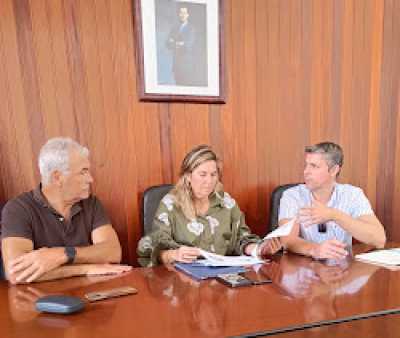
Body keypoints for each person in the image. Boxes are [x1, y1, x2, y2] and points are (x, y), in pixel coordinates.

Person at [1, 137, 131, 284]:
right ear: (57, 178)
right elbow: (17, 273)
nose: (91, 179)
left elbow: (113, 252)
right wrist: (85, 269)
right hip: (40, 301)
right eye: (83, 172)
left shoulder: (92, 203)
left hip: (91, 294)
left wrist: (63, 254)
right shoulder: (18, 209)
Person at [137, 145, 281, 267]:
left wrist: (258, 249)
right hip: (183, 281)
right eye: (203, 174)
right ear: (188, 176)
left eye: (213, 174)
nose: (209, 181)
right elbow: (152, 249)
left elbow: (241, 239)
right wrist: (174, 255)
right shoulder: (170, 204)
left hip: (222, 277)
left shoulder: (226, 202)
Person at [279, 142, 386, 260]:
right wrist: (316, 250)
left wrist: (334, 215)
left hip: (343, 268)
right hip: (305, 266)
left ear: (334, 170)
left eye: (314, 166)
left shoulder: (353, 195)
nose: (306, 171)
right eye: (307, 165)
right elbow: (287, 240)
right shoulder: (292, 195)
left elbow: (379, 239)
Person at [167, 6, 196, 86]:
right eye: (181, 13)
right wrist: (179, 43)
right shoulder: (174, 28)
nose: (182, 15)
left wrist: (175, 42)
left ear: (188, 15)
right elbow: (167, 43)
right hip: (176, 65)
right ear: (178, 14)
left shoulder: (191, 29)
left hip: (187, 66)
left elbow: (188, 46)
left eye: (184, 13)